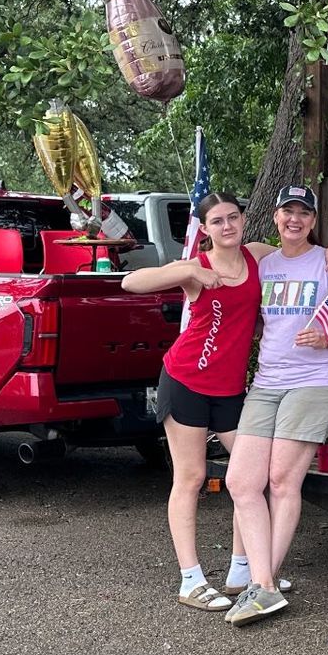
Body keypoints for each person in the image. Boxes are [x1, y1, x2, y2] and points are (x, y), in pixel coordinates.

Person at [224, 185, 328, 626]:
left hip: (316, 382)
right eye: (288, 211)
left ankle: (263, 586)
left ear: (314, 221)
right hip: (267, 383)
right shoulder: (264, 265)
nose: (295, 219)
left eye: (304, 213)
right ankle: (262, 582)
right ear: (276, 217)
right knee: (241, 482)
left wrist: (327, 336)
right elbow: (229, 254)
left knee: (282, 480)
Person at [120, 192, 260, 613]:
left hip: (230, 389)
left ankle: (241, 571)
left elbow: (301, 253)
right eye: (217, 221)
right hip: (186, 382)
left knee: (249, 476)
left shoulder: (256, 255)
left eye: (233, 217)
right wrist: (188, 270)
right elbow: (130, 282)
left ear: (243, 220)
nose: (227, 226)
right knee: (192, 477)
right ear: (206, 229)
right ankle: (191, 580)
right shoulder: (195, 269)